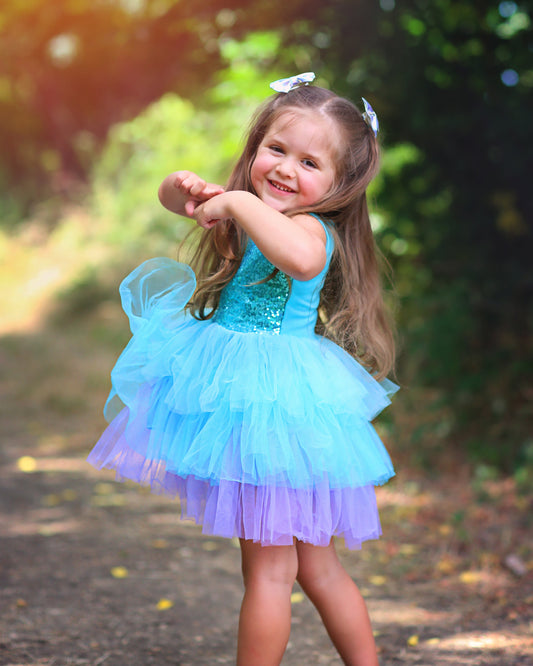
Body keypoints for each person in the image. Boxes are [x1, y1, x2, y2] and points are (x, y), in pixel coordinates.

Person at [87, 73, 398, 666]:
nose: (286, 169)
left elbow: (302, 260)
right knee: (311, 566)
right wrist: (180, 189)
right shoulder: (254, 212)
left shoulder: (308, 229)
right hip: (252, 398)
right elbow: (182, 203)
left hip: (274, 409)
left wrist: (238, 203)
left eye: (310, 162)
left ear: (339, 186)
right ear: (255, 147)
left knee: (273, 571)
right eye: (276, 149)